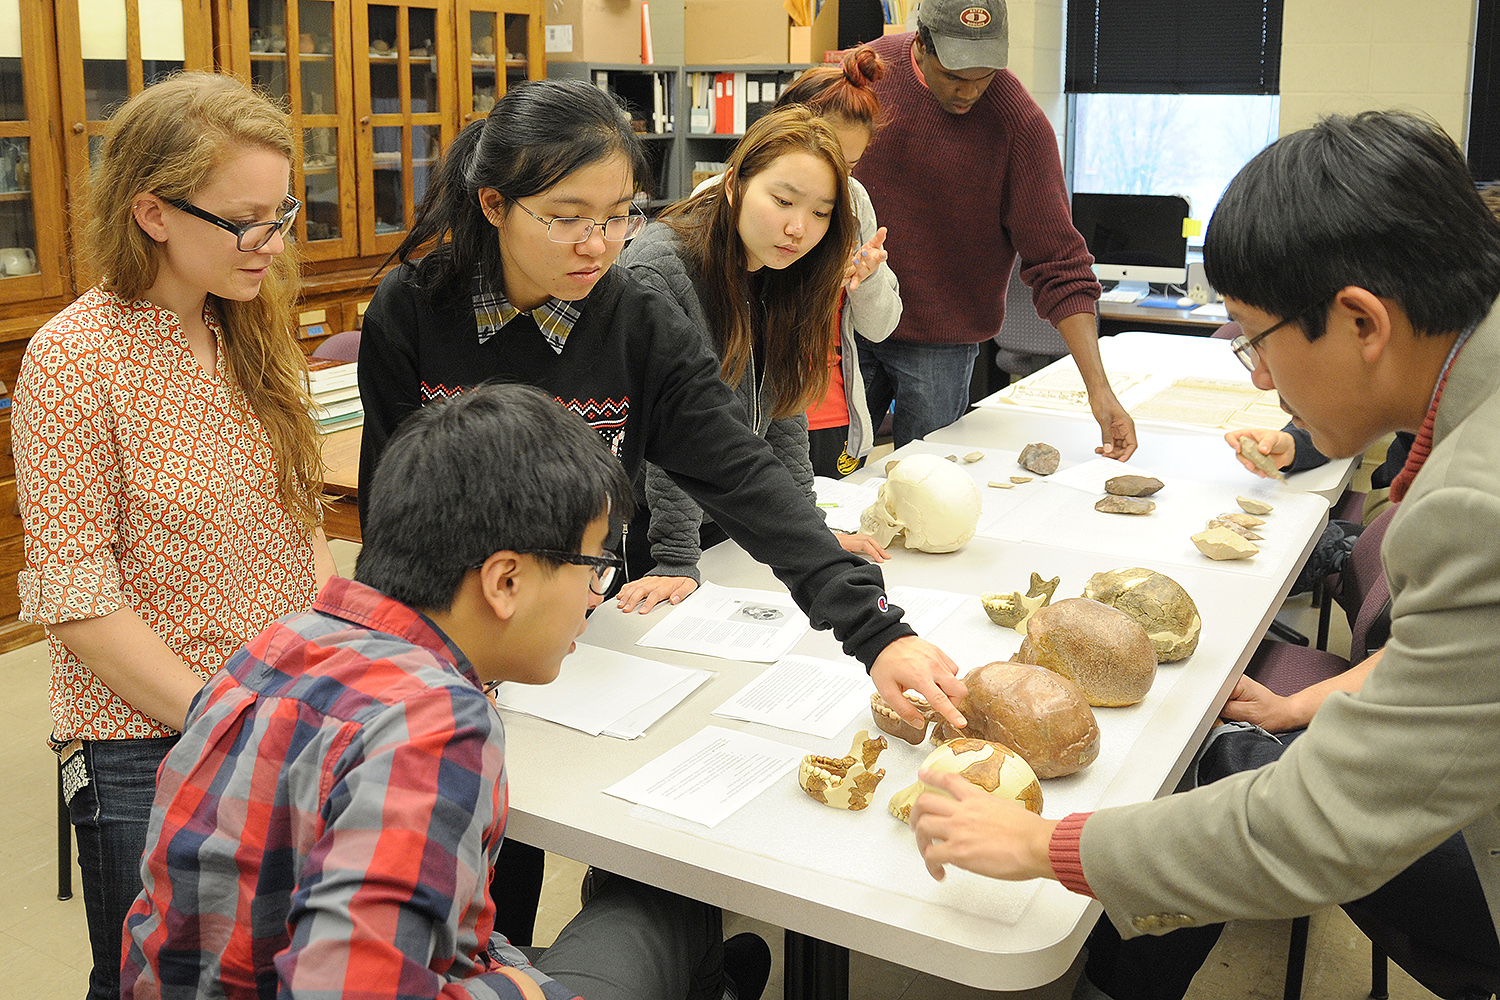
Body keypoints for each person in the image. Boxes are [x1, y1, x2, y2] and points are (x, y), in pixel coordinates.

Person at [357, 79, 967, 943]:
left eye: (619, 215)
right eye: (566, 216)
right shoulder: (411, 310)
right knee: (455, 878)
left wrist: (875, 630)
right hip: (439, 646)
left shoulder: (634, 319)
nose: (597, 243)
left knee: (532, 828)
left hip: (567, 640)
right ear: (493, 203)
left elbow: (740, 473)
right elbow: (391, 506)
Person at [906, 110, 1500, 994]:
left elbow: (1327, 821)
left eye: (1256, 341)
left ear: (1361, 321)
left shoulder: (1474, 503)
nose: (1260, 379)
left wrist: (1046, 844)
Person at [122, 384, 768, 1000]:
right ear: (505, 581)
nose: (595, 597)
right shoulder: (433, 720)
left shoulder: (279, 644)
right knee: (670, 889)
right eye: (594, 565)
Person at [11, 73, 333, 1000]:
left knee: (267, 965)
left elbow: (297, 513)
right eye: (246, 220)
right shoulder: (74, 359)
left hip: (272, 712)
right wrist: (220, 716)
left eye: (283, 213)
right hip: (150, 745)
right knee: (152, 980)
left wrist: (312, 661)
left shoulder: (248, 326)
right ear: (152, 212)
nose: (271, 243)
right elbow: (76, 599)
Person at [616, 105, 890, 613]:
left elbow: (783, 406)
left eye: (821, 212)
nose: (798, 228)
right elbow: (672, 430)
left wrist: (808, 531)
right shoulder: (664, 268)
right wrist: (676, 556)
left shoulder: (783, 270)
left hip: (731, 507)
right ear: (734, 183)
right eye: (782, 201)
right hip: (653, 526)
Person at [851, 0, 1136, 457]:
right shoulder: (868, 74)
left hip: (941, 342)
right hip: (846, 323)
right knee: (834, 474)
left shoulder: (1018, 125)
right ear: (921, 45)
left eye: (984, 77)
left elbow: (1060, 263)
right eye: (956, 77)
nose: (969, 92)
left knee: (926, 481)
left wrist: (1100, 393)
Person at [773, 45, 902, 479]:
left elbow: (880, 327)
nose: (836, 181)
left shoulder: (854, 201)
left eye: (848, 166)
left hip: (831, 415)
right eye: (826, 161)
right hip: (754, 419)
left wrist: (866, 281)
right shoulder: (724, 195)